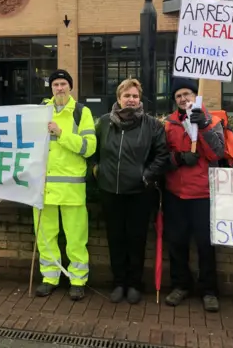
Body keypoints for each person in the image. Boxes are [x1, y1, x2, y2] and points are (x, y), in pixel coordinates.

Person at [91, 78, 170, 304]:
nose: (131, 100)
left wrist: (146, 176)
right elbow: (94, 150)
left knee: (136, 239)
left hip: (139, 192)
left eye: (135, 96)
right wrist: (97, 169)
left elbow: (162, 156)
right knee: (115, 239)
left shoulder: (152, 125)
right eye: (127, 96)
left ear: (140, 99)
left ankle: (134, 284)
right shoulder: (104, 123)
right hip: (110, 191)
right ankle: (118, 282)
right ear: (119, 99)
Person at [163, 77, 225, 312]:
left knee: (205, 245)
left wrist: (206, 126)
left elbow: (217, 152)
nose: (183, 99)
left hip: (203, 194)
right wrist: (178, 158)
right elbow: (162, 156)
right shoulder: (169, 124)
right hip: (175, 193)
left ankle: (209, 290)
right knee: (177, 243)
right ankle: (180, 285)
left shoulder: (213, 120)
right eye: (178, 96)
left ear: (195, 96)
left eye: (187, 94)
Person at [35, 69, 97, 301]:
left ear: (70, 87)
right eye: (55, 85)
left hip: (72, 189)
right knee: (45, 236)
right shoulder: (41, 111)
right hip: (44, 189)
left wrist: (62, 134)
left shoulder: (82, 113)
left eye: (63, 84)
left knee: (76, 237)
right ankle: (49, 278)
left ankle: (78, 280)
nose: (59, 88)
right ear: (50, 88)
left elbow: (89, 147)